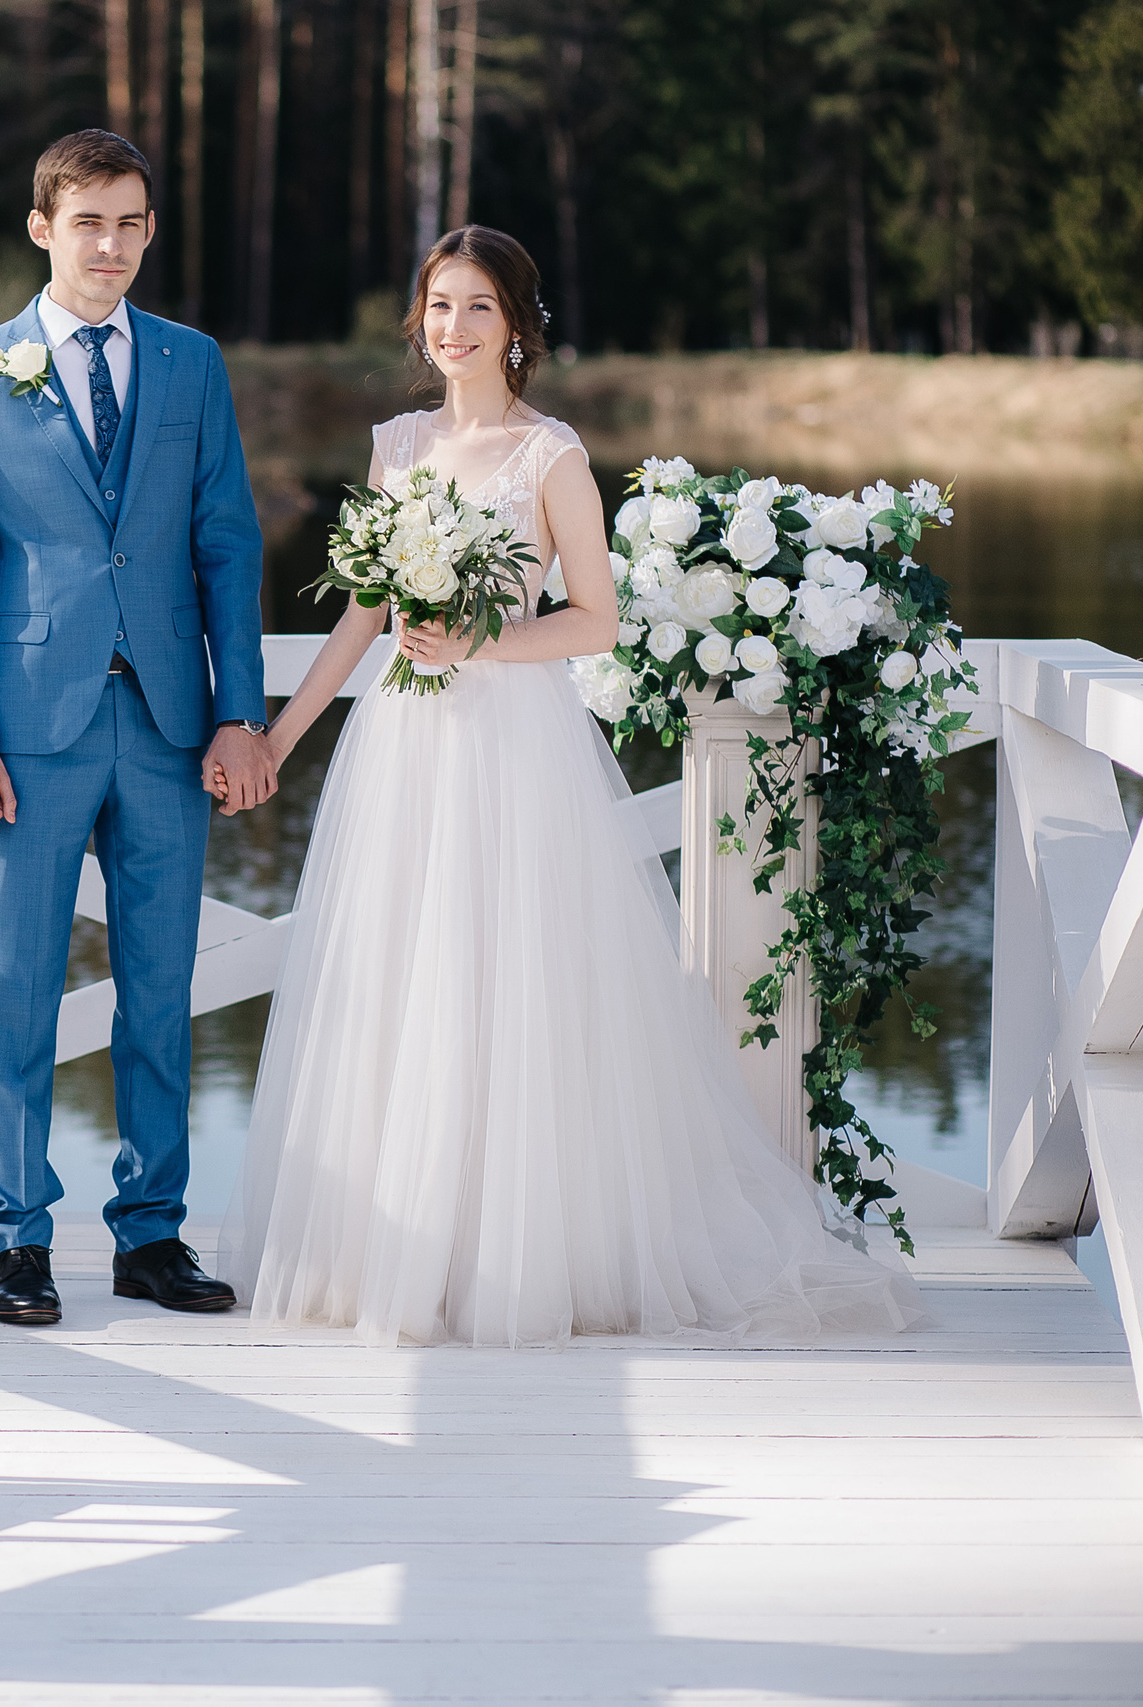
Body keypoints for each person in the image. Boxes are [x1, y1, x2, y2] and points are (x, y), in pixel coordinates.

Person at [223, 225, 926, 1346]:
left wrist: (479, 646)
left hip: (513, 748)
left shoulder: (548, 456)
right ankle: (403, 1249)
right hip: (402, 752)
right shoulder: (397, 445)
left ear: (519, 329)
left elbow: (593, 617)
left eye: (479, 310)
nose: (453, 329)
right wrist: (282, 733)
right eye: (439, 306)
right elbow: (363, 612)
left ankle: (524, 1254)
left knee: (518, 985)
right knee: (404, 975)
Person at [0, 129, 272, 1328]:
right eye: (88, 223)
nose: (111, 246)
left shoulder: (190, 364)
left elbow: (226, 544)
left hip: (170, 725)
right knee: (14, 986)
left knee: (159, 992)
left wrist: (238, 714)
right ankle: (16, 1241)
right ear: (42, 228)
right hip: (29, 730)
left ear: (149, 230)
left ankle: (151, 1234)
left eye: (130, 223)